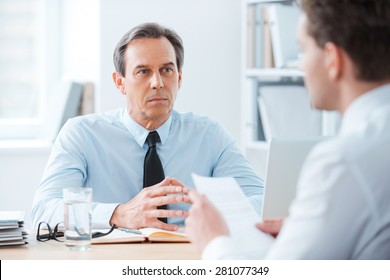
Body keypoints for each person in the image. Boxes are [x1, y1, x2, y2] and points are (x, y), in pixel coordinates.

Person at [185, 0, 390, 259]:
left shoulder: (343, 162)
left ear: (332, 59)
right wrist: (307, 230)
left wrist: (214, 241)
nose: (300, 65)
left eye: (303, 50)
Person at [31, 23, 264, 231]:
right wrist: (119, 214)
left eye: (167, 70)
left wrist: (213, 209)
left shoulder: (209, 135)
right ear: (120, 82)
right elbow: (43, 211)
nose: (158, 83)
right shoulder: (81, 134)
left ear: (179, 79)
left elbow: (263, 200)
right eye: (143, 71)